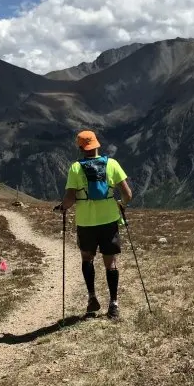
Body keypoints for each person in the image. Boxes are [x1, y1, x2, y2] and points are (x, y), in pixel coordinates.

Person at [55, 130, 132, 319]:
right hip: (109, 220)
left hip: (86, 222)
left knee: (87, 259)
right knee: (110, 263)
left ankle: (92, 298)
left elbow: (70, 198)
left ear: (81, 148)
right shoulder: (112, 164)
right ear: (97, 145)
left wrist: (62, 207)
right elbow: (128, 194)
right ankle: (113, 304)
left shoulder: (75, 168)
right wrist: (120, 206)